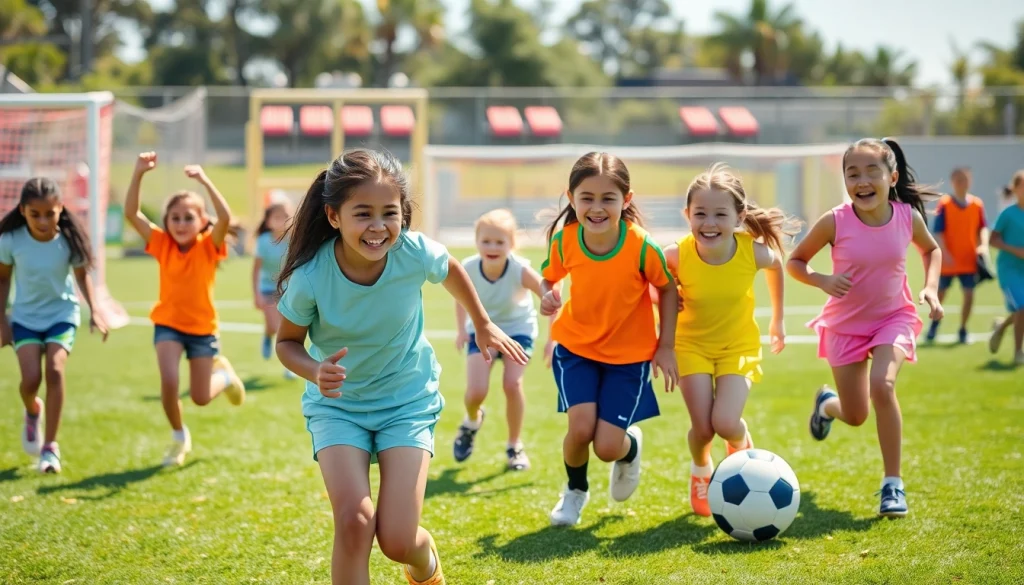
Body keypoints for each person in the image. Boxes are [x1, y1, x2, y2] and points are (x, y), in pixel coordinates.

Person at [274, 149, 526, 585]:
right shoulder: (311, 277)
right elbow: (286, 343)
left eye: (389, 213)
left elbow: (447, 267)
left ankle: (425, 566)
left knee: (396, 541)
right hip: (339, 410)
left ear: (404, 214)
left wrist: (483, 323)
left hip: (406, 403)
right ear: (333, 216)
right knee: (354, 524)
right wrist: (315, 370)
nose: (378, 227)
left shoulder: (412, 251)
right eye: (362, 213)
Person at [787, 138, 943, 518]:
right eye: (852, 173)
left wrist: (930, 288)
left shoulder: (908, 217)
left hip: (894, 317)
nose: (861, 180)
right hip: (845, 325)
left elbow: (932, 250)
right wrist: (822, 280)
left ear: (892, 177)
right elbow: (796, 262)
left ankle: (893, 485)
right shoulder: (834, 221)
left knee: (882, 386)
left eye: (871, 170)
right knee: (856, 415)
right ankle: (828, 406)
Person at [539, 151, 679, 527]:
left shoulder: (641, 245)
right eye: (587, 198)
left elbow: (666, 289)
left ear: (626, 200)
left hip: (629, 357)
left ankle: (629, 448)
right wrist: (546, 293)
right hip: (575, 349)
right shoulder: (565, 241)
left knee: (606, 448)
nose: (596, 208)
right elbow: (548, 277)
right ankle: (574, 492)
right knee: (579, 429)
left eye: (608, 199)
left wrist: (665, 346)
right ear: (571, 198)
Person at [664, 163, 795, 517]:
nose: (709, 223)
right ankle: (701, 469)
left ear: (738, 216)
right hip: (690, 347)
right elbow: (649, 283)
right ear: (687, 215)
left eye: (720, 214)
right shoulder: (675, 255)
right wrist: (664, 297)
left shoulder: (750, 250)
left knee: (725, 422)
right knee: (703, 429)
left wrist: (778, 320)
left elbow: (777, 265)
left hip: (737, 347)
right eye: (700, 214)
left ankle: (740, 447)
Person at [124, 152, 246, 468]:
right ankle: (179, 436)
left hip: (202, 329)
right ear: (167, 221)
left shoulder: (209, 245)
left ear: (202, 221)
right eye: (175, 217)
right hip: (168, 324)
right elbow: (131, 213)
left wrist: (204, 181)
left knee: (201, 398)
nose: (181, 224)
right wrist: (138, 173)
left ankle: (225, 376)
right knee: (169, 381)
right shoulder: (162, 243)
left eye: (189, 217)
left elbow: (225, 217)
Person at [0, 178, 109, 474]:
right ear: (23, 211)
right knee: (31, 380)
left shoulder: (68, 241)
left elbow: (82, 275)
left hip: (62, 315)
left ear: (61, 208)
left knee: (56, 371)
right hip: (24, 318)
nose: (44, 220)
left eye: (50, 213)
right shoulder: (11, 241)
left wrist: (95, 310)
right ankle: (33, 410)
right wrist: (2, 321)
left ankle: (50, 448)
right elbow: (3, 279)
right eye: (36, 214)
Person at [452, 208, 553, 471]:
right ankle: (472, 421)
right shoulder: (469, 267)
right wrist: (462, 329)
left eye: (500, 242)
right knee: (476, 392)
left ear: (512, 244)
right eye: (486, 241)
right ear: (477, 242)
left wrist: (552, 339)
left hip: (517, 331)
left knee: (512, 384)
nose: (492, 247)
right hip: (482, 331)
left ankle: (514, 446)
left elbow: (549, 296)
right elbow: (460, 296)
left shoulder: (520, 269)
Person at [926, 167, 988, 344]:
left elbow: (982, 227)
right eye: (959, 180)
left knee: (969, 295)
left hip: (969, 260)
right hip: (949, 262)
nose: (962, 183)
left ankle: (962, 329)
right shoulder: (945, 204)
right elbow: (938, 232)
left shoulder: (977, 204)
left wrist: (982, 246)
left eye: (965, 179)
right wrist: (944, 253)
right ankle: (934, 326)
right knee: (941, 295)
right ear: (952, 182)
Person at [252, 197, 296, 378]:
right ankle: (267, 336)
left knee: (285, 328)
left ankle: (289, 367)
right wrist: (256, 294)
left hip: (287, 289)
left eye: (286, 215)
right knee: (273, 326)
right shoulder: (263, 241)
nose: (282, 219)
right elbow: (255, 270)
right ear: (268, 221)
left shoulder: (294, 239)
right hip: (267, 289)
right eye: (277, 216)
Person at [988, 170, 1024, 364]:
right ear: (1016, 189)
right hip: (1009, 270)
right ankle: (1019, 353)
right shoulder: (1008, 214)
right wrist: (1015, 250)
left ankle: (1001, 327)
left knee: (1022, 310)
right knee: (1021, 308)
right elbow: (993, 239)